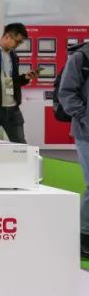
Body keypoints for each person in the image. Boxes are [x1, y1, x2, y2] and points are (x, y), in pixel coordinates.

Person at [57, 43, 89, 259]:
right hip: (86, 132)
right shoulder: (81, 58)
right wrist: (84, 116)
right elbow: (66, 93)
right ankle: (84, 237)